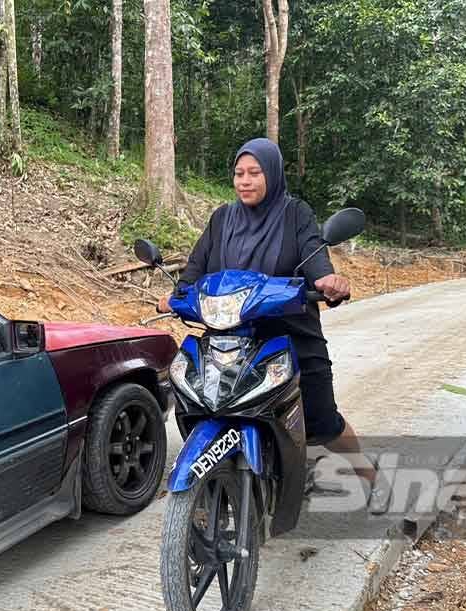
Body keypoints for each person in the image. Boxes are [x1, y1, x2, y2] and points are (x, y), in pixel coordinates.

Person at [157, 137, 380, 500]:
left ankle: (370, 476)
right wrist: (177, 295)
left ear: (272, 174)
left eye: (254, 173)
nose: (244, 180)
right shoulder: (222, 219)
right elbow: (196, 266)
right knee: (196, 398)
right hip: (228, 336)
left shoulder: (295, 214)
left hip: (288, 333)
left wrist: (327, 280)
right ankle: (209, 487)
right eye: (238, 173)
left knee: (322, 420)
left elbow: (314, 255)